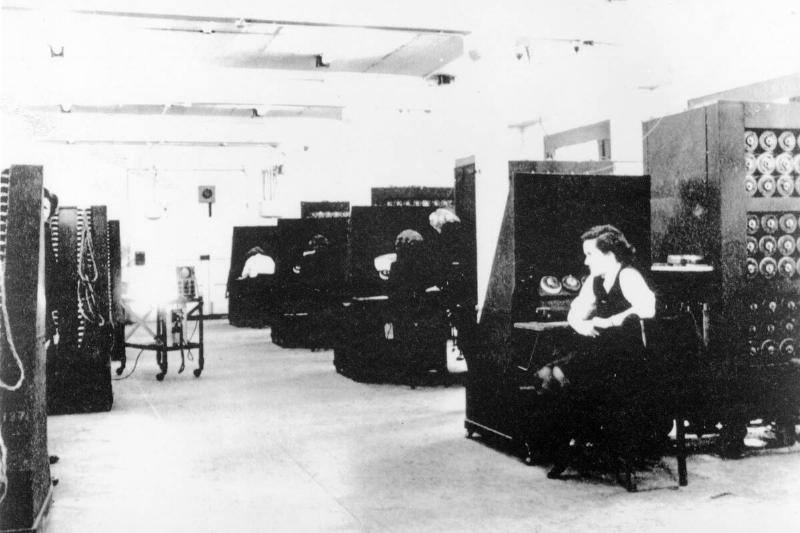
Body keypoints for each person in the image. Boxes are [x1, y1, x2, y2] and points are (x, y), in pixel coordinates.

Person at [545, 224, 656, 480]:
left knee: (560, 375)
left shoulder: (628, 276)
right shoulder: (595, 281)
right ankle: (575, 443)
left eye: (590, 254)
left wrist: (609, 322)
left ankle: (573, 447)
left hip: (626, 359)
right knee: (547, 374)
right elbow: (576, 311)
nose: (585, 261)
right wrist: (584, 326)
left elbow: (647, 309)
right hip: (602, 351)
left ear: (609, 254)